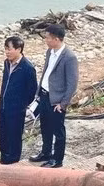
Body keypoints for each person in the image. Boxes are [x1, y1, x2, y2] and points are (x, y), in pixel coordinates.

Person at [29, 24, 79, 168]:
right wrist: (38, 93)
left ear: (57, 39)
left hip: (57, 100)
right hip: (45, 95)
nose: (46, 40)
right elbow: (46, 73)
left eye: (48, 38)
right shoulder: (49, 52)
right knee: (45, 126)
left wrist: (63, 103)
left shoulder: (69, 57)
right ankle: (45, 153)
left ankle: (57, 159)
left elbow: (72, 84)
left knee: (58, 130)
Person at [0, 36, 38, 164]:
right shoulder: (6, 63)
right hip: (3, 106)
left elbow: (32, 91)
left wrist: (20, 105)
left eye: (9, 49)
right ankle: (3, 161)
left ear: (19, 49)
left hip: (16, 110)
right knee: (2, 136)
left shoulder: (27, 68)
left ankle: (13, 164)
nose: (7, 52)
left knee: (14, 138)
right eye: (5, 49)